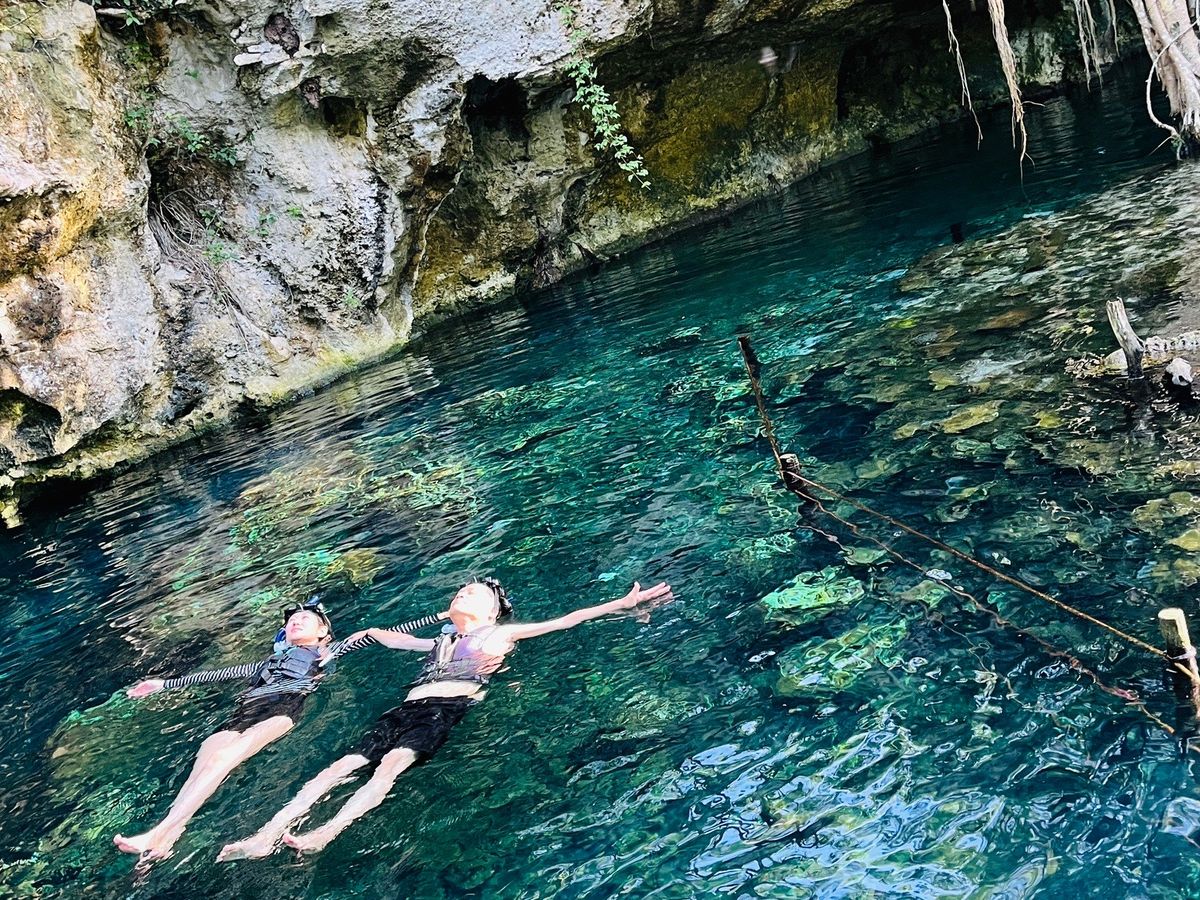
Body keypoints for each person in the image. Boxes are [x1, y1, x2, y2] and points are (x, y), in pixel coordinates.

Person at [216, 577, 674, 861]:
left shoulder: (501, 634)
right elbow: (397, 641)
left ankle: (325, 832)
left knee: (389, 767)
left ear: (492, 610)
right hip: (405, 709)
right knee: (335, 769)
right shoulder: (440, 641)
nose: (461, 594)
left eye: (471, 593)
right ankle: (265, 835)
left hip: (444, 709)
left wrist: (621, 604)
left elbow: (567, 620)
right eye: (459, 591)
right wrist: (372, 632)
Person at [114, 598, 343, 861]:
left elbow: (364, 639)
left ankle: (158, 832)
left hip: (282, 710)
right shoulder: (267, 663)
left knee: (222, 758)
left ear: (322, 631)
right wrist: (164, 684)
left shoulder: (324, 655)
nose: (296, 622)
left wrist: (352, 641)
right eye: (291, 620)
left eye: (304, 619)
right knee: (203, 764)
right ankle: (167, 839)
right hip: (243, 713)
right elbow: (220, 673)